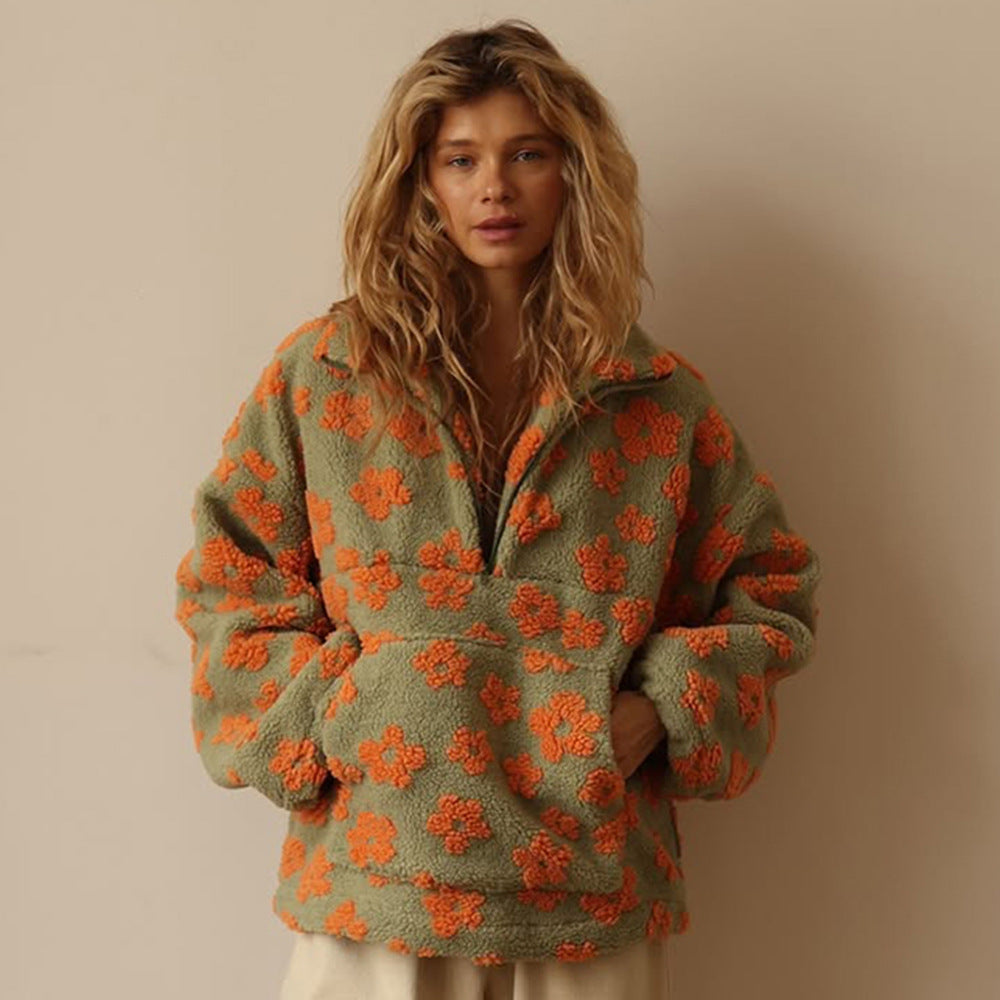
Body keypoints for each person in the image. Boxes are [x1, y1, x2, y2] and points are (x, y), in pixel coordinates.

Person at [173, 18, 822, 1000]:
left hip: (588, 894)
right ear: (419, 179)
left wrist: (656, 712)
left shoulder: (654, 400)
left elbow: (768, 589)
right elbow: (231, 573)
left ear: (574, 173)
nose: (494, 188)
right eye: (459, 158)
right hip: (374, 880)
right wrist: (341, 715)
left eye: (527, 153)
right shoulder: (327, 375)